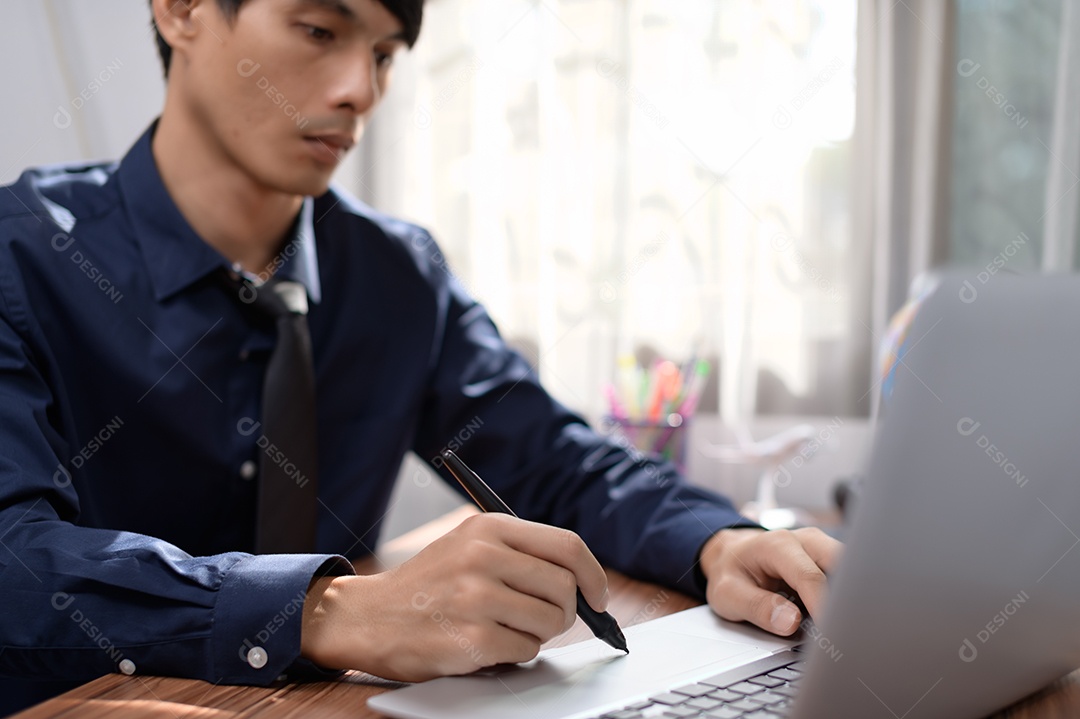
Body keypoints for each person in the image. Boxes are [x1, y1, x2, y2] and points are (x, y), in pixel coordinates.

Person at [0, 0, 841, 713]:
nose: (358, 92)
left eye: (385, 53)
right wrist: (329, 611)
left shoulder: (397, 274)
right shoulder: (22, 256)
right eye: (321, 31)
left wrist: (717, 543)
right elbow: (12, 560)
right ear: (181, 9)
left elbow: (553, 458)